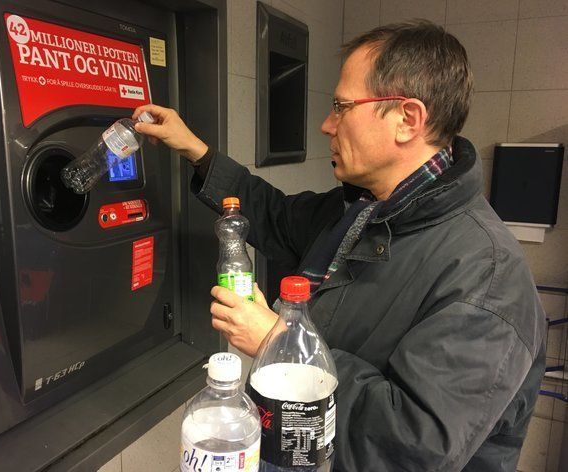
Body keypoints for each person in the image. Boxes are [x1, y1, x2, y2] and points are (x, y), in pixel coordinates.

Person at [133, 20, 546, 472]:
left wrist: (277, 341)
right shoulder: (363, 209)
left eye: (342, 106)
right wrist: (195, 149)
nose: (327, 125)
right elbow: (273, 213)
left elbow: (412, 444)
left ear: (407, 119)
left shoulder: (488, 276)